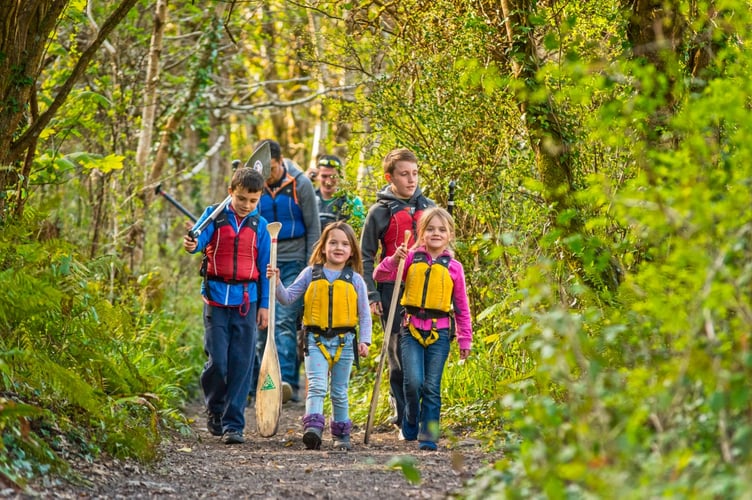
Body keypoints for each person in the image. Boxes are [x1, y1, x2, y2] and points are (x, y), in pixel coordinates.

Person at [183, 167, 270, 445]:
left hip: (247, 300)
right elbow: (197, 241)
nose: (246, 205)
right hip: (216, 298)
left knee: (241, 364)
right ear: (231, 192)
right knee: (218, 362)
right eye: (242, 198)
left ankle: (234, 424)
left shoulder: (261, 227)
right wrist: (191, 243)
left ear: (259, 200)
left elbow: (266, 267)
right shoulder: (215, 215)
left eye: (253, 200)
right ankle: (215, 409)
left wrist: (265, 305)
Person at [373, 207, 472, 451]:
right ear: (421, 232)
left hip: (439, 333)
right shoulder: (410, 257)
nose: (436, 233)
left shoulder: (454, 268)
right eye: (430, 229)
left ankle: (429, 434)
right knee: (413, 382)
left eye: (442, 229)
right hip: (411, 330)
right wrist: (394, 259)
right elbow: (379, 273)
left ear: (450, 234)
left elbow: (461, 307)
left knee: (431, 385)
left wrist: (464, 339)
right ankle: (409, 417)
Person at [267, 221, 371, 450]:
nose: (338, 247)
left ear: (352, 250)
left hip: (345, 342)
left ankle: (341, 434)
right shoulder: (309, 273)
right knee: (315, 386)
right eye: (332, 242)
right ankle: (313, 428)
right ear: (323, 247)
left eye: (344, 244)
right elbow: (286, 298)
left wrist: (365, 340)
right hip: (315, 340)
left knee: (339, 391)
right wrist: (276, 281)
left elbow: (364, 314)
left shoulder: (355, 279)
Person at [360, 148, 434, 435]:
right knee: (398, 354)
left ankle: (423, 414)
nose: (411, 180)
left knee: (424, 351)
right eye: (404, 174)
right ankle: (402, 415)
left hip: (425, 287)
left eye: (414, 173)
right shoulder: (378, 212)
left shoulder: (429, 208)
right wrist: (371, 294)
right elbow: (366, 256)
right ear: (389, 177)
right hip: (391, 287)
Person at [254, 139, 321, 403]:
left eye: (271, 168)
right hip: (264, 259)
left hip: (294, 260)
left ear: (281, 162)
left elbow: (313, 226)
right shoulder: (255, 185)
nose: (268, 175)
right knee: (262, 320)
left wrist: (311, 268)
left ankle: (287, 382)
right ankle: (262, 381)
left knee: (283, 319)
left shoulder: (300, 183)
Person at [314, 154, 365, 230]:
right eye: (324, 176)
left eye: (332, 176)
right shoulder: (309, 198)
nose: (328, 181)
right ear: (317, 176)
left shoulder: (353, 201)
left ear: (340, 176)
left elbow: (359, 231)